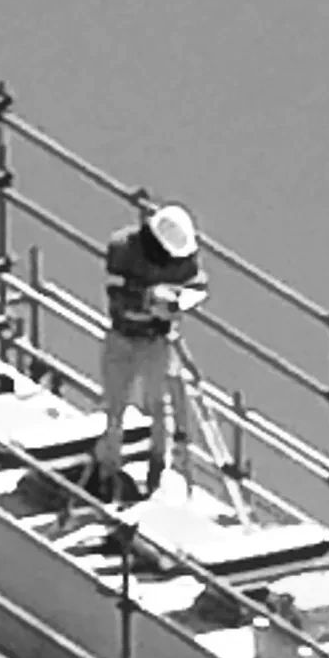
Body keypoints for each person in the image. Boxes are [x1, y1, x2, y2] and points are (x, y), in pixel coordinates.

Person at [89, 202, 207, 501]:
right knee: (115, 408)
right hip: (122, 337)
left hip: (156, 342)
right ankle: (107, 475)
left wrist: (176, 303)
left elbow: (198, 286)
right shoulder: (123, 248)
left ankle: (157, 473)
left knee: (159, 406)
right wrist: (147, 299)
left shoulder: (183, 260)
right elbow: (114, 292)